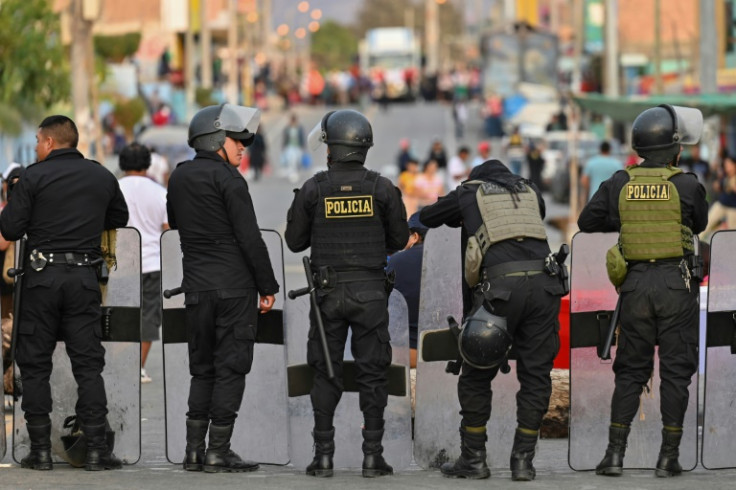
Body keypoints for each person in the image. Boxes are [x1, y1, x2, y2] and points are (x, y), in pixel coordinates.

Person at [578, 105, 708, 478]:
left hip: (634, 287)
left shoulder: (620, 182)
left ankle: (614, 455)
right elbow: (698, 223)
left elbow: (586, 221)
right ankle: (668, 458)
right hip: (676, 285)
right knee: (676, 372)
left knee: (631, 372)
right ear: (674, 149)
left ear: (638, 147)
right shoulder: (686, 184)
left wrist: (623, 217)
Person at [419, 159, 565, 482]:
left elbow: (428, 216)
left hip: (500, 290)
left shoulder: (469, 192)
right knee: (536, 373)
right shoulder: (530, 190)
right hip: (546, 286)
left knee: (475, 370)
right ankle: (523, 461)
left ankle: (473, 459)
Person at [0, 115, 129, 471]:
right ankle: (97, 450)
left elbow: (10, 227)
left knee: (36, 364)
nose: (38, 148)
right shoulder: (101, 175)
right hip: (84, 278)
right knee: (88, 365)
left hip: (41, 279)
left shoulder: (33, 177)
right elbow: (119, 215)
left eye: (39, 142)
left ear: (49, 142)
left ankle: (40, 451)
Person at [285, 109, 409, 478]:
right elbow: (400, 240)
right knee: (373, 374)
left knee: (325, 372)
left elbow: (294, 242)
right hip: (370, 293)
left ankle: (323, 457)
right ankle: (373, 457)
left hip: (328, 293)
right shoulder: (382, 188)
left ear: (331, 148)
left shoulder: (313, 188)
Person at [167, 103, 279, 473]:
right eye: (237, 140)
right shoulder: (230, 180)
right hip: (233, 291)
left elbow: (174, 221)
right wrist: (268, 285)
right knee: (230, 369)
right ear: (216, 139)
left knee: (202, 371)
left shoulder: (179, 177)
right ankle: (219, 450)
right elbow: (249, 238)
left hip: (197, 290)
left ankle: (193, 452)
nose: (243, 146)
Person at [117, 143, 169, 384]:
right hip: (152, 263)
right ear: (148, 164)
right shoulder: (160, 191)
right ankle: (138, 367)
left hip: (120, 265)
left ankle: (120, 364)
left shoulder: (114, 189)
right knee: (148, 316)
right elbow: (168, 230)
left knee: (121, 316)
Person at [699, 155, 736, 240]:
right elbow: (716, 186)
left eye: (729, 164)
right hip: (721, 204)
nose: (727, 167)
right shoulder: (725, 176)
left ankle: (732, 251)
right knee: (707, 223)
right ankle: (697, 241)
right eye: (726, 165)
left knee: (732, 234)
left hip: (733, 208)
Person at [282, 113, 305, 183]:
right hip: (290, 147)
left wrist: (303, 146)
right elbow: (285, 138)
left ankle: (296, 172)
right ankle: (292, 173)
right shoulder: (287, 128)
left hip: (297, 147)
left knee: (298, 160)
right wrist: (283, 146)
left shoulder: (300, 128)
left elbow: (302, 138)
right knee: (291, 160)